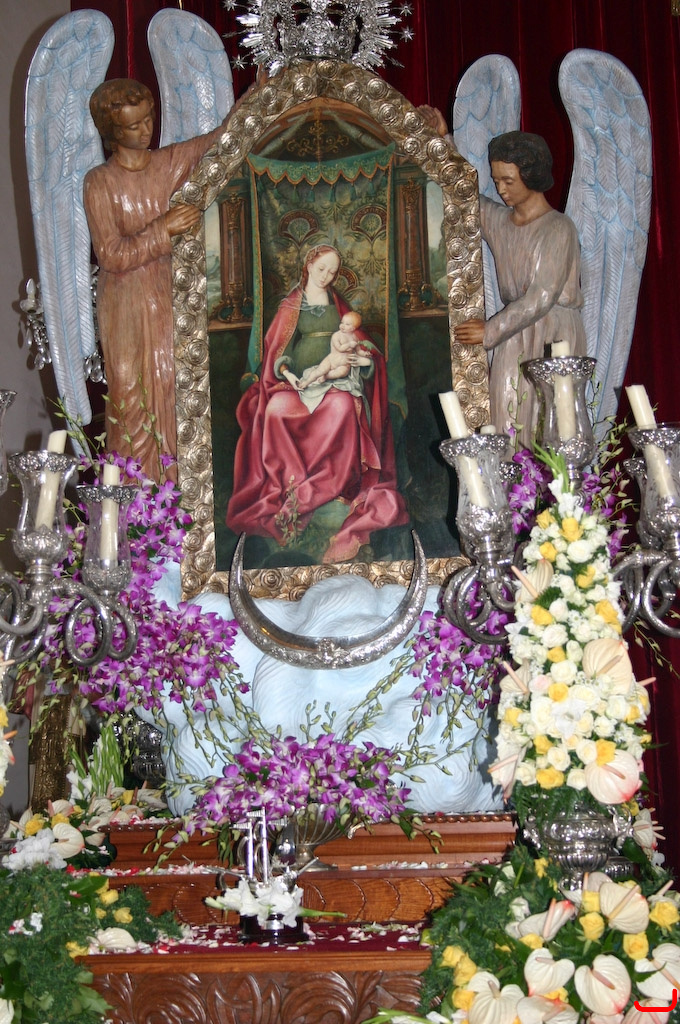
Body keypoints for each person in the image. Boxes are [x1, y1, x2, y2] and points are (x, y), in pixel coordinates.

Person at [226, 243, 409, 564]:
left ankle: (333, 482)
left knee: (343, 407)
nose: (326, 276)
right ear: (309, 265)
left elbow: (362, 343)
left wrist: (364, 360)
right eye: (322, 268)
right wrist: (287, 373)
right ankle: (291, 484)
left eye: (333, 271)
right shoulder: (290, 306)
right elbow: (278, 352)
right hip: (298, 383)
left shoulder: (339, 306)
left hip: (336, 385)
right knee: (275, 410)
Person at [83, 79, 227, 480]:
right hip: (125, 303)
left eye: (148, 119)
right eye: (133, 126)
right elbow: (111, 254)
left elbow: (216, 142)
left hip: (165, 294)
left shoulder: (165, 164)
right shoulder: (100, 182)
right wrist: (163, 229)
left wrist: (254, 100)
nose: (145, 130)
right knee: (131, 397)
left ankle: (175, 492)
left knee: (170, 384)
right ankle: (133, 502)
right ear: (113, 133)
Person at [453, 131, 586, 445]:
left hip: (553, 337)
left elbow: (542, 295)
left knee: (551, 425)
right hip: (513, 336)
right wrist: (442, 140)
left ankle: (556, 480)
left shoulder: (558, 227)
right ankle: (511, 479)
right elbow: (464, 193)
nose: (501, 189)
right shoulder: (501, 222)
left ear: (531, 175)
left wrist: (490, 330)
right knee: (506, 417)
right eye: (496, 180)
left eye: (508, 181)